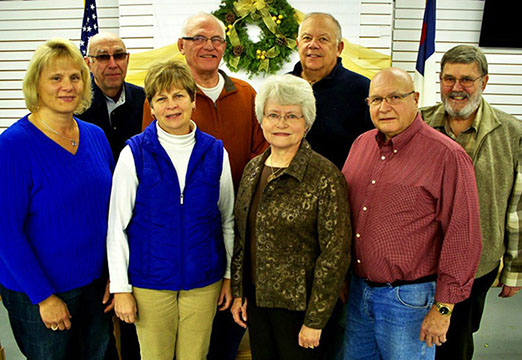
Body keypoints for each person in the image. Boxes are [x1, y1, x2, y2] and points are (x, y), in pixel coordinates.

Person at [141, 12, 268, 359]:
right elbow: (150, 159)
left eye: (217, 40)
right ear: (182, 45)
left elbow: (262, 156)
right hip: (175, 244)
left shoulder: (247, 94)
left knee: (223, 331)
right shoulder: (162, 99)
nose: (209, 46)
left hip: (233, 228)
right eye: (199, 38)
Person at [341, 67, 482, 360]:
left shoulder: (447, 155)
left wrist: (443, 308)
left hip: (408, 301)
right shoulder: (361, 145)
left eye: (395, 96)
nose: (385, 107)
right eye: (376, 99)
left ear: (415, 98)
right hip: (358, 293)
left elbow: (462, 237)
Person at [106, 59, 235, 360]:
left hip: (203, 283)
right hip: (150, 284)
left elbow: (227, 220)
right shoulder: (134, 153)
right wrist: (121, 289)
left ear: (193, 100)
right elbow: (117, 227)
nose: (171, 105)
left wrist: (228, 275)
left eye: (179, 95)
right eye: (161, 98)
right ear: (151, 107)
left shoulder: (216, 152)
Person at [0, 38, 114, 359]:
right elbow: (6, 232)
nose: (68, 86)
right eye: (56, 78)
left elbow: (110, 214)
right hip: (40, 292)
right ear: (36, 84)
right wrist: (44, 297)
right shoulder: (13, 145)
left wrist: (112, 276)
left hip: (94, 285)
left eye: (75, 77)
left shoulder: (95, 136)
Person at [230, 74, 351, 360]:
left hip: (301, 310)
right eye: (273, 114)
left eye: (291, 116)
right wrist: (239, 292)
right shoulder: (252, 170)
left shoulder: (324, 176)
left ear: (306, 123)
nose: (281, 123)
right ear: (261, 120)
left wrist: (316, 320)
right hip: (258, 303)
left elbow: (335, 254)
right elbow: (241, 237)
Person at [420, 45, 522, 360]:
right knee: (414, 341)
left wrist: (514, 269)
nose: (456, 88)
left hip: (477, 265)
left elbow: (518, 207)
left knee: (456, 343)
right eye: (449, 79)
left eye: (467, 80)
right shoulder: (418, 125)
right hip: (421, 264)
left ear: (484, 82)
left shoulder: (512, 133)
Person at [290, 12, 373, 170]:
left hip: (341, 188)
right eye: (307, 38)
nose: (313, 45)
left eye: (323, 39)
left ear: (339, 48)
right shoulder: (282, 87)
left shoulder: (363, 89)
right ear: (298, 44)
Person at [78, 32, 146, 161]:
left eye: (119, 56)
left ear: (127, 59)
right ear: (88, 63)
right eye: (103, 57)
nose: (113, 64)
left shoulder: (145, 100)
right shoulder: (76, 104)